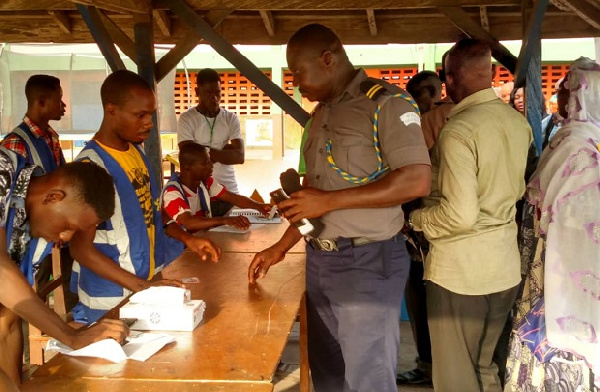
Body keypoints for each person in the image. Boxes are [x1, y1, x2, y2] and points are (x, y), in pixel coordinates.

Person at [248, 24, 431, 392]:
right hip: (320, 262)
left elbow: (416, 180)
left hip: (367, 262)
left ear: (327, 60)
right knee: (328, 374)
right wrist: (280, 247)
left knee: (368, 378)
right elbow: (315, 199)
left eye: (297, 71)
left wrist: (328, 200)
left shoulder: (386, 104)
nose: (295, 82)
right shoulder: (319, 117)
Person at [408, 38, 531, 392]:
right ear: (491, 73)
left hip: (460, 274)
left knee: (455, 376)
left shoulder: (458, 130)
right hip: (503, 267)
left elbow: (459, 215)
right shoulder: (515, 122)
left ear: (450, 79)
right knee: (484, 366)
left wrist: (416, 220)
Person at [69, 70, 221, 324]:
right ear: (111, 110)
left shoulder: (138, 156)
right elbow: (80, 249)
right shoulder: (91, 167)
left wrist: (187, 239)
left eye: (150, 115)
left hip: (145, 286)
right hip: (110, 300)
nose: (148, 123)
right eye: (139, 115)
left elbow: (153, 217)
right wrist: (140, 285)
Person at [505, 57, 600, 391]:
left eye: (566, 91)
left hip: (550, 274)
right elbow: (578, 229)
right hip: (562, 278)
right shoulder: (578, 147)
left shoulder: (574, 143)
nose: (560, 98)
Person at [0, 150, 128, 386]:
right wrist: (71, 335)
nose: (66, 237)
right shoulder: (2, 169)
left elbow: (5, 321)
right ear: (53, 197)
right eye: (68, 225)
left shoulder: (28, 225)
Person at [0, 74, 78, 308]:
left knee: (69, 280)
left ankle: (67, 323)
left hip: (56, 229)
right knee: (33, 289)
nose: (64, 106)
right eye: (60, 100)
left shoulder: (51, 137)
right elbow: (12, 202)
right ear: (41, 102)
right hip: (30, 236)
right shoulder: (16, 143)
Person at [397, 63, 450, 387]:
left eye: (428, 93)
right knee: (426, 298)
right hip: (432, 230)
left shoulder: (437, 122)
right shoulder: (415, 126)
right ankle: (432, 364)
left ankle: (433, 366)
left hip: (431, 226)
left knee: (427, 298)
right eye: (418, 96)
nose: (425, 101)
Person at [178, 68, 244, 216]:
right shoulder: (187, 119)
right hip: (200, 194)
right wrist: (224, 151)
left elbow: (239, 157)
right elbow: (188, 157)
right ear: (197, 92)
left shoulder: (230, 118)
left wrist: (202, 151)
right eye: (208, 94)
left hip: (229, 191)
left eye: (218, 93)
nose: (214, 98)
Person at [162, 142, 271, 232]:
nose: (211, 166)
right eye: (205, 163)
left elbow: (234, 198)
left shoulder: (205, 183)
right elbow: (189, 223)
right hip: (178, 252)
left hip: (199, 241)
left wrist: (258, 206)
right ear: (187, 168)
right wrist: (224, 220)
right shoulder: (172, 192)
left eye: (210, 162)